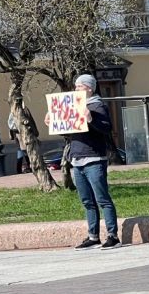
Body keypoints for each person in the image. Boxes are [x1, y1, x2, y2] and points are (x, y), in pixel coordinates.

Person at [45, 75, 121, 250]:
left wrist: (90, 118)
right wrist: (54, 123)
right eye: (76, 86)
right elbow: (70, 132)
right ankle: (93, 236)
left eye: (79, 86)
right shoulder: (73, 106)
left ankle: (112, 236)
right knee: (87, 201)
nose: (76, 89)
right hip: (77, 159)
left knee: (102, 199)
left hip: (94, 158)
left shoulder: (97, 105)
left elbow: (106, 128)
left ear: (89, 88)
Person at [8, 98, 39, 174]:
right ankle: (30, 166)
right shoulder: (24, 109)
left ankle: (19, 169)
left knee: (21, 150)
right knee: (27, 150)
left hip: (16, 134)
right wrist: (35, 132)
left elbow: (10, 124)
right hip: (23, 133)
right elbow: (31, 120)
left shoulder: (12, 110)